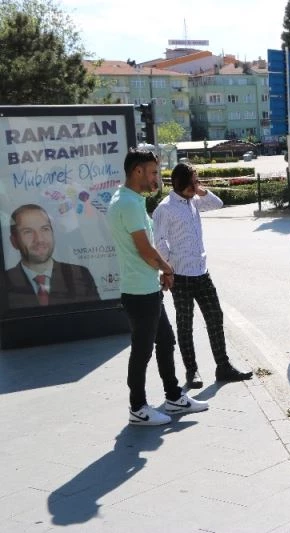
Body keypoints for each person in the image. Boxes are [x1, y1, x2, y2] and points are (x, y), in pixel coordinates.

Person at [107, 149, 208, 426]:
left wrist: (160, 269)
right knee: (142, 350)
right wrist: (167, 267)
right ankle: (138, 408)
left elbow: (146, 249)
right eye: (152, 172)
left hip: (145, 288)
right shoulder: (127, 204)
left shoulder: (129, 200)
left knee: (165, 341)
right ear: (137, 171)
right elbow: (145, 249)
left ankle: (174, 397)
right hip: (139, 292)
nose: (156, 178)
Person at [152, 163, 252, 388]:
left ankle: (223, 366)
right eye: (190, 182)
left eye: (195, 182)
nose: (193, 186)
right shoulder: (165, 209)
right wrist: (168, 270)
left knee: (215, 317)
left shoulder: (193, 201)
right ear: (178, 183)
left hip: (202, 272)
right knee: (185, 324)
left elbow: (218, 203)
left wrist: (200, 190)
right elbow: (159, 242)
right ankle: (192, 371)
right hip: (181, 276)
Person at [4, 204, 100, 308]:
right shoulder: (4, 282)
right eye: (28, 232)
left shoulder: (81, 274)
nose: (39, 239)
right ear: (14, 241)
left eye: (45, 229)